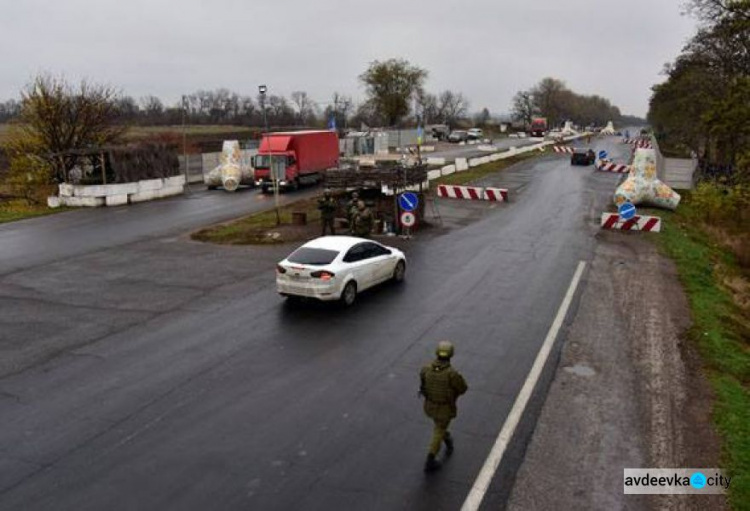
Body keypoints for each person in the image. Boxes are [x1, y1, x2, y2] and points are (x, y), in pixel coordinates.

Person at [419, 341, 468, 472]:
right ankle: (430, 458)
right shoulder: (452, 374)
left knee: (439, 427)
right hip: (444, 408)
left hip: (429, 406)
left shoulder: (426, 369)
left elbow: (423, 384)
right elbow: (463, 388)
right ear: (451, 354)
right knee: (439, 429)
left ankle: (447, 438)